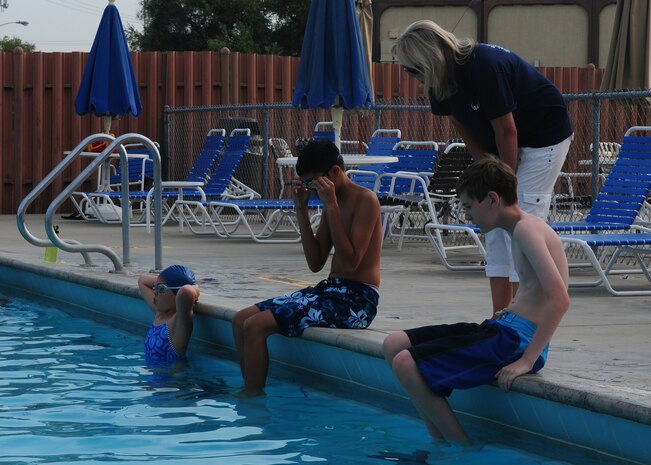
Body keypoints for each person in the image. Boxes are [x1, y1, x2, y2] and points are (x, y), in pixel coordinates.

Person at [391, 20, 573, 316]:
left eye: (413, 71)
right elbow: (463, 127)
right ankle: (499, 318)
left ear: (428, 60)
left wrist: (503, 184)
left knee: (520, 219)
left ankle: (524, 320)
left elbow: (507, 131)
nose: (413, 78)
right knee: (494, 222)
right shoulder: (439, 82)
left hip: (543, 137)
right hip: (503, 138)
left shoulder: (483, 66)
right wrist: (486, 169)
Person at [382, 158, 570, 444]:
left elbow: (560, 298)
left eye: (469, 206)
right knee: (393, 344)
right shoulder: (520, 228)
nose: (468, 216)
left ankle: (460, 450)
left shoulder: (526, 230)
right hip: (506, 329)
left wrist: (527, 360)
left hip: (516, 341)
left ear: (492, 199)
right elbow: (536, 293)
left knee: (407, 363)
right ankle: (439, 440)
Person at [232, 140, 383, 397]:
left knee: (255, 326)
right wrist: (301, 210)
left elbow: (350, 263)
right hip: (331, 291)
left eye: (313, 182)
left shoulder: (365, 200)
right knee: (240, 320)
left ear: (334, 172)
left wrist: (332, 206)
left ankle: (252, 398)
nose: (311, 189)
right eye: (307, 184)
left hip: (358, 300)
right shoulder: (330, 204)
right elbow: (315, 263)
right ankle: (248, 387)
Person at [138, 264, 200, 365]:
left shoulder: (177, 324)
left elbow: (186, 291)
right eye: (155, 287)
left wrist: (196, 288)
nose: (155, 292)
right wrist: (160, 282)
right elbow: (142, 280)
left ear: (176, 294)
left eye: (161, 289)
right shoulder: (160, 314)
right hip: (152, 378)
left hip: (171, 380)